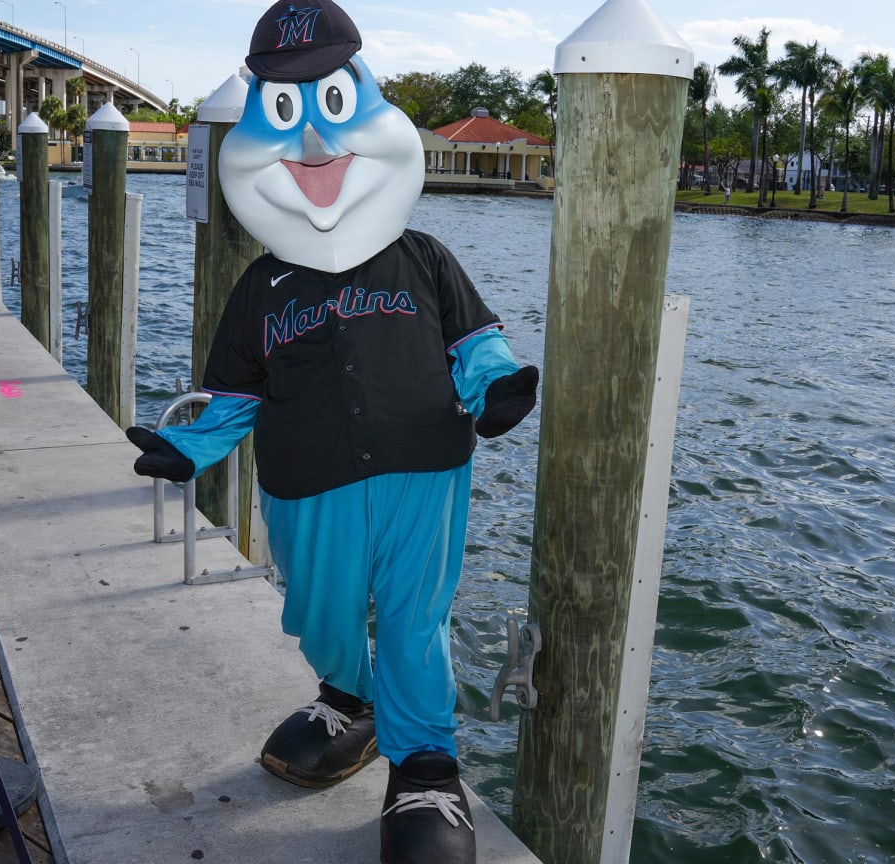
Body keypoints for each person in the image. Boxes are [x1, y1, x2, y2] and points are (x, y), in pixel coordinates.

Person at [124, 3, 537, 862]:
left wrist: (497, 390)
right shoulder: (260, 289)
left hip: (423, 468)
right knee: (320, 610)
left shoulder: (424, 258)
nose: (314, 146)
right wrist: (189, 449)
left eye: (334, 104)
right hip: (306, 482)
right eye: (284, 112)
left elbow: (477, 344)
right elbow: (231, 398)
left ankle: (426, 766)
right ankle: (348, 694)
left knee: (417, 620)